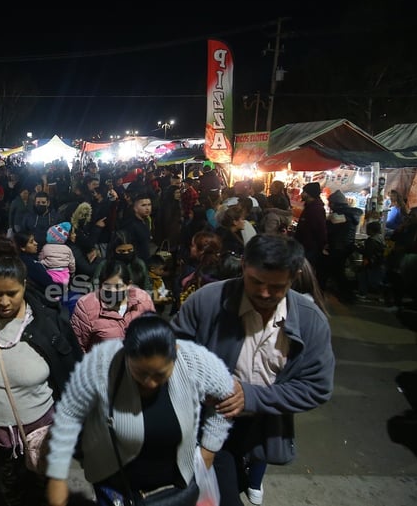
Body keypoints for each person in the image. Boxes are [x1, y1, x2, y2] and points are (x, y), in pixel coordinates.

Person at [170, 234, 335, 506]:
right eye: (256, 282)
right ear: (243, 264)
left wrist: (250, 396)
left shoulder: (310, 320)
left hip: (262, 425)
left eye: (277, 287)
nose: (264, 293)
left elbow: (317, 388)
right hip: (204, 421)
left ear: (293, 277)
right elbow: (172, 353)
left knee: (237, 481)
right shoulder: (207, 301)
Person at [45, 313, 236, 506]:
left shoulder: (192, 361)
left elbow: (227, 395)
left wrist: (209, 449)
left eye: (160, 374)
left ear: (176, 353)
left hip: (177, 486)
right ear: (125, 355)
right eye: (141, 373)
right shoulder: (102, 368)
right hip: (116, 484)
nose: (150, 383)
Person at [0, 239, 82, 506]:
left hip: (45, 433)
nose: (4, 302)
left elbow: (71, 368)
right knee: (11, 487)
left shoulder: (48, 323)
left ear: (24, 286)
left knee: (48, 488)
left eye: (12, 293)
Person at [70, 259, 155, 353]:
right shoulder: (86, 305)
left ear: (129, 285)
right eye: (107, 286)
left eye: (118, 286)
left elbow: (152, 334)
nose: (113, 291)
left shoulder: (143, 299)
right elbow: (78, 346)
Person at [293, 181, 327, 275]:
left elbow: (321, 230)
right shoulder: (310, 207)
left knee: (305, 272)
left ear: (309, 194)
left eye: (303, 192)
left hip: (310, 248)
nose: (301, 194)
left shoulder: (315, 209)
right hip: (305, 246)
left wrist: (319, 247)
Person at [38, 222, 76, 288]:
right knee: (63, 290)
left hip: (50, 274)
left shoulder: (46, 247)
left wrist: (41, 262)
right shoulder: (67, 249)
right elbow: (72, 262)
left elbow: (40, 258)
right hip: (64, 275)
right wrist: (72, 271)